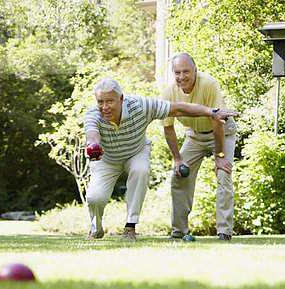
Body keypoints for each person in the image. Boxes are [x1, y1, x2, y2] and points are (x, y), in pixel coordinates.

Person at [84, 77, 239, 242]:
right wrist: (93, 146)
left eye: (110, 101)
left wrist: (212, 112)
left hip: (136, 151)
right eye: (100, 101)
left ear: (121, 99)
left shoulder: (140, 105)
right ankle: (96, 229)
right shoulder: (93, 114)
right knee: (95, 198)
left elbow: (178, 108)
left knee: (140, 170)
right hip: (107, 157)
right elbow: (92, 135)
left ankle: (130, 227)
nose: (105, 107)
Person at [161, 53, 238, 241]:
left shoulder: (208, 83)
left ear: (195, 71)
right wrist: (177, 159)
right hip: (195, 136)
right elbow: (168, 127)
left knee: (223, 174)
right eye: (177, 72)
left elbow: (218, 120)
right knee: (178, 176)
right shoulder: (169, 92)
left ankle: (224, 232)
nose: (181, 77)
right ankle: (178, 232)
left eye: (186, 71)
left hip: (222, 132)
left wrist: (220, 155)